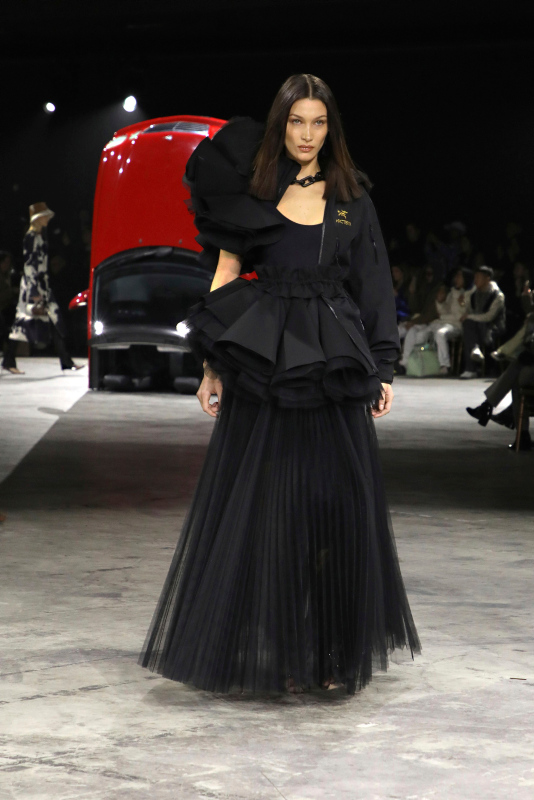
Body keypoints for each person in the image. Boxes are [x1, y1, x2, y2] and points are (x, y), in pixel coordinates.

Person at [138, 74, 420, 695]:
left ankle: (332, 652)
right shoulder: (256, 191)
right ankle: (286, 652)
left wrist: (381, 366)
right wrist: (212, 365)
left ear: (331, 128)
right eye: (297, 122)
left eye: (318, 123)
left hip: (332, 366)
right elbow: (226, 273)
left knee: (336, 511)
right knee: (269, 513)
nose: (307, 135)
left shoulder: (351, 199)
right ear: (281, 124)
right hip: (263, 365)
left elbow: (374, 285)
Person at [1, 203, 82, 375]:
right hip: (33, 286)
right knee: (22, 323)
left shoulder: (39, 236)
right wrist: (34, 292)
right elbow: (30, 265)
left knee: (55, 320)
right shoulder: (30, 237)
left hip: (41, 285)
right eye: (44, 216)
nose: (47, 219)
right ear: (37, 219)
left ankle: (66, 361)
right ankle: (8, 360)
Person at [459, 265, 505, 379]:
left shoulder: (497, 295)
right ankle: (474, 351)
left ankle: (471, 365)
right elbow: (468, 311)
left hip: (492, 327)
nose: (475, 280)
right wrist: (465, 298)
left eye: (478, 277)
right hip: (476, 325)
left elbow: (489, 317)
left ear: (487, 278)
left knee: (470, 324)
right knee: (468, 323)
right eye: (475, 277)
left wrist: (470, 317)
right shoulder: (474, 294)